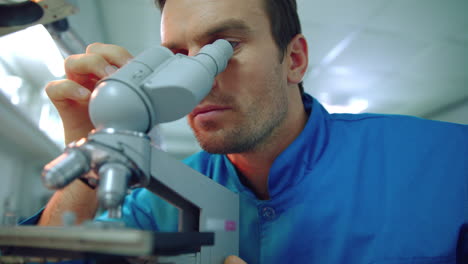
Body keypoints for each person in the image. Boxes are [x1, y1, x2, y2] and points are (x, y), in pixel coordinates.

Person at [25, 0, 467, 263]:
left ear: (293, 60)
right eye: (176, 55)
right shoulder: (154, 200)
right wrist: (91, 145)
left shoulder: (450, 166)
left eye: (225, 48)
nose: (197, 80)